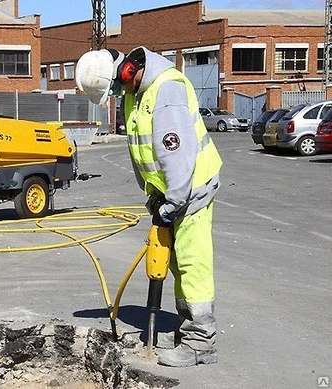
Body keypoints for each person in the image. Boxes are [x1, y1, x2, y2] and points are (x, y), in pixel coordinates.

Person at [75, 47, 222, 367]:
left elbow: (176, 153)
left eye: (116, 87)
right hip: (169, 192)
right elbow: (143, 149)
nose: (117, 93)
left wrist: (174, 199)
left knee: (192, 264)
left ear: (127, 71)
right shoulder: (134, 92)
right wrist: (154, 194)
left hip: (190, 189)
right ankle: (187, 330)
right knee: (174, 262)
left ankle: (201, 343)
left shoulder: (166, 89)